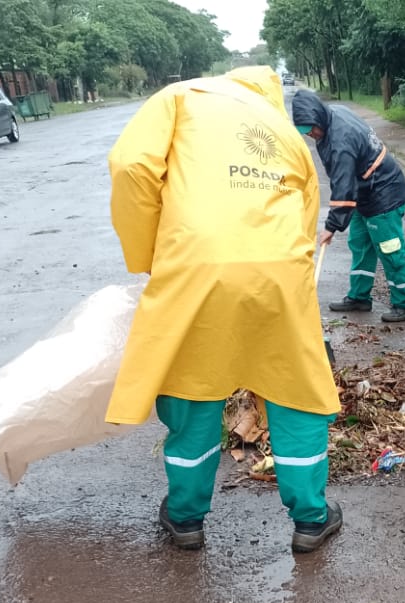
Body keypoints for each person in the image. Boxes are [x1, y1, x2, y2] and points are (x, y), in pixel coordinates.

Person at [105, 66, 343, 553]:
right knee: (295, 389)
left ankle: (186, 518)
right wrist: (283, 268)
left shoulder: (178, 97)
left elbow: (132, 167)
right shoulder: (277, 122)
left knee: (193, 388)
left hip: (197, 265)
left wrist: (148, 254)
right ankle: (311, 520)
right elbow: (307, 201)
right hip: (280, 271)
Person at [290, 89, 405, 323]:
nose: (310, 134)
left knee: (390, 251)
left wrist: (332, 226)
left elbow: (343, 186)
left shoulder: (341, 141)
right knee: (360, 244)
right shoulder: (334, 114)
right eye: (305, 131)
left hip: (384, 193)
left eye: (311, 128)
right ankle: (359, 297)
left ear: (319, 117)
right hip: (365, 192)